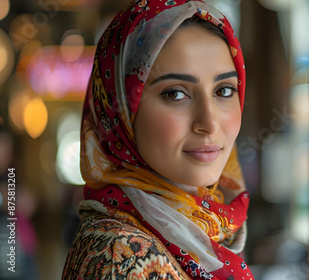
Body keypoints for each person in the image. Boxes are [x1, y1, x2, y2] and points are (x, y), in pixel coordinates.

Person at [62, 0, 252, 279]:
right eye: (175, 93)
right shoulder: (124, 255)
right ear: (120, 109)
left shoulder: (199, 227)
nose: (209, 123)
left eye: (223, 90)